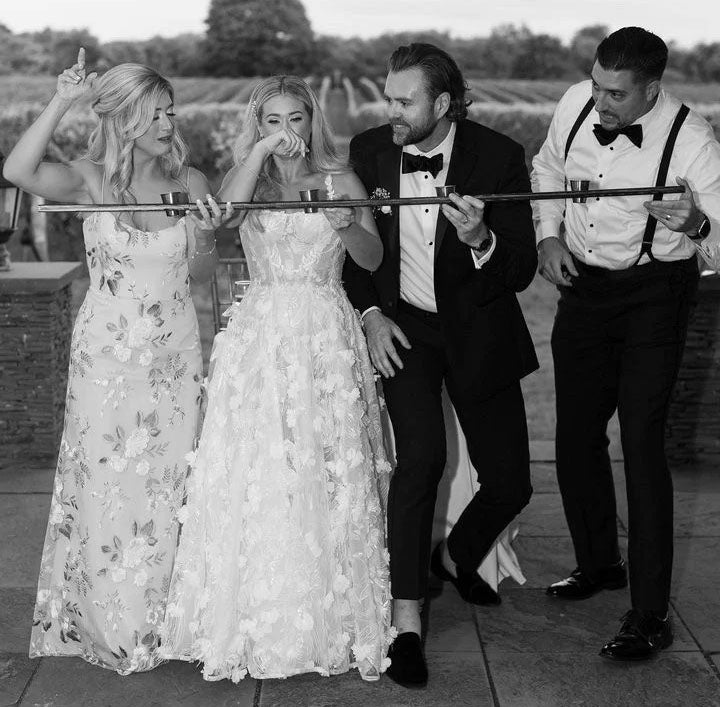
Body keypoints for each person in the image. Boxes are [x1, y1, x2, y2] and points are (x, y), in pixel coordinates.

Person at [159, 75, 393, 683]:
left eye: (295, 118)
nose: (286, 130)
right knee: (258, 463)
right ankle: (252, 612)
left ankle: (328, 611)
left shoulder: (341, 176)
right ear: (257, 126)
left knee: (321, 460)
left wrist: (344, 222)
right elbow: (228, 214)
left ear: (312, 120)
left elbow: (371, 259)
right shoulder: (252, 179)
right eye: (272, 121)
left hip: (323, 328)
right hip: (259, 330)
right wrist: (258, 154)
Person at [3, 50, 228, 674]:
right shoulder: (88, 179)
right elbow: (18, 169)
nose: (168, 123)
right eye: (154, 114)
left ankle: (167, 619)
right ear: (124, 119)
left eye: (170, 111)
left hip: (173, 360)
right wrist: (62, 101)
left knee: (169, 487)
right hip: (105, 361)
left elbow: (201, 276)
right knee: (105, 489)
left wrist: (206, 236)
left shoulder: (193, 184)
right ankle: (109, 623)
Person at [343, 43, 538, 688]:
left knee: (511, 483)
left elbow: (521, 269)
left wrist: (482, 238)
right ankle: (406, 623)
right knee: (420, 460)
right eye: (388, 97)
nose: (389, 111)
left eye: (404, 101)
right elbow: (355, 253)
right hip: (406, 332)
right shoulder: (369, 151)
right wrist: (370, 315)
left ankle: (453, 556)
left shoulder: (501, 157)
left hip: (480, 333)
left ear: (444, 104)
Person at [532, 26, 720, 662]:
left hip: (655, 296)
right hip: (582, 288)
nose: (601, 101)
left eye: (615, 94)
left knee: (641, 446)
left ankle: (648, 614)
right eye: (596, 85)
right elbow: (549, 167)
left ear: (653, 90)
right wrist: (548, 236)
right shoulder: (573, 104)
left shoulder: (694, 141)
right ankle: (598, 566)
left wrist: (695, 223)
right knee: (576, 434)